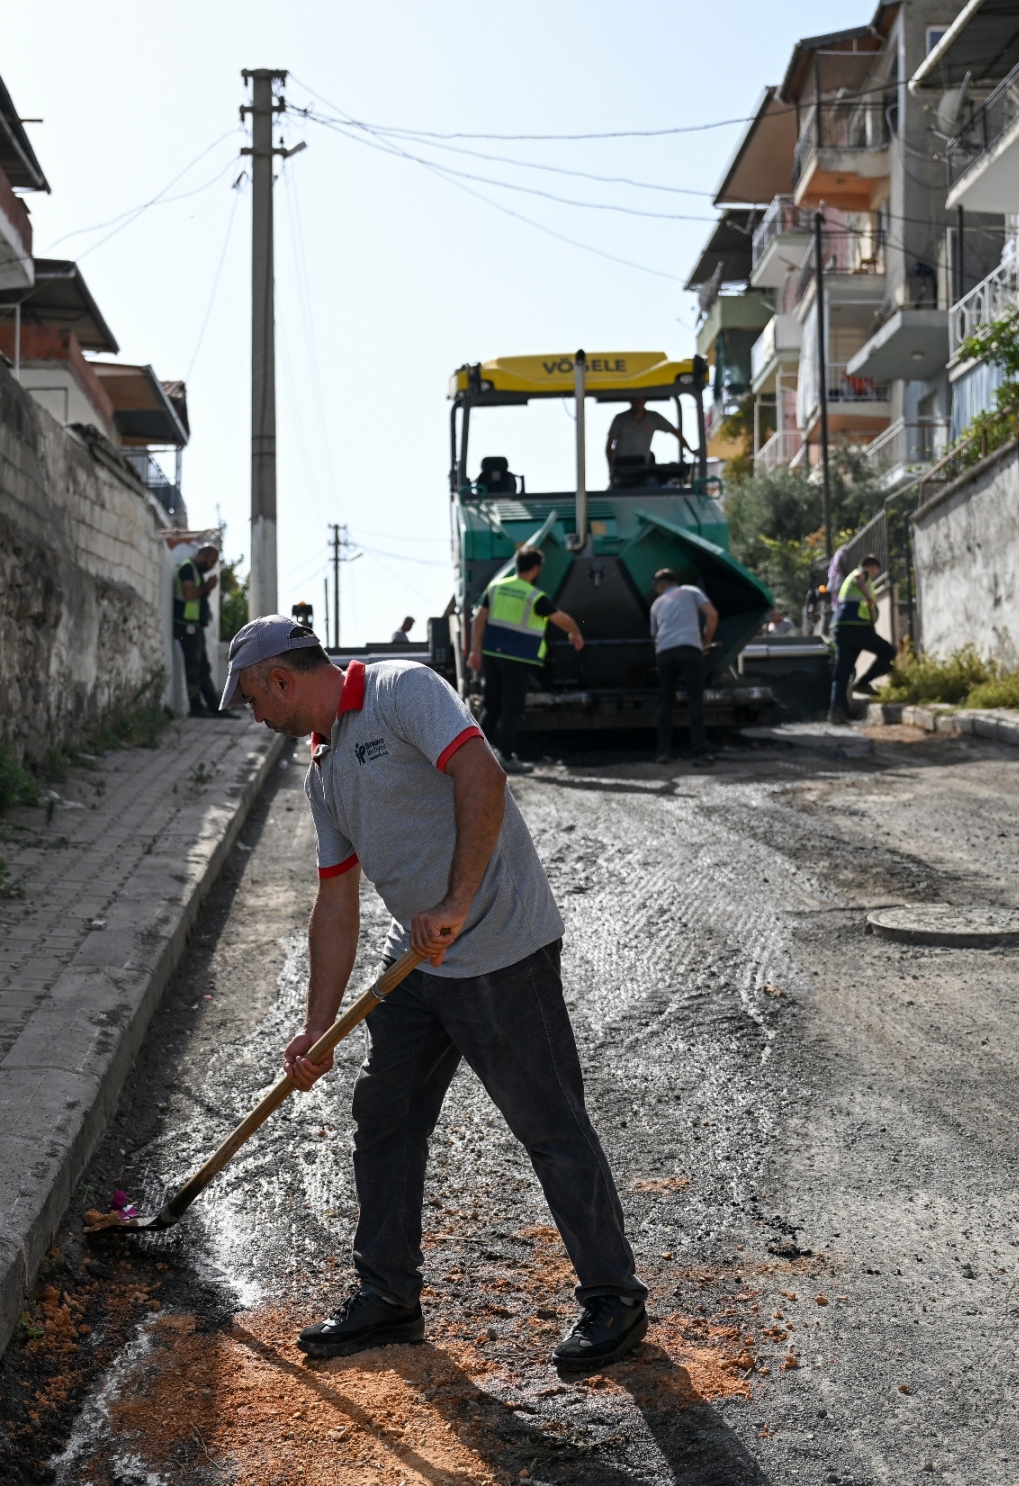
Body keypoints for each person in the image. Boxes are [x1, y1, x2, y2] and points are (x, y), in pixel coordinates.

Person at [219, 616, 650, 1372]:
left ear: (279, 680)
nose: (254, 715)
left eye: (252, 699)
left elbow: (481, 773)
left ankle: (613, 1297)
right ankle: (388, 1297)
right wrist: (316, 1027)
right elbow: (335, 903)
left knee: (548, 1124)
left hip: (500, 947)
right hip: (416, 964)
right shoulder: (322, 769)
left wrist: (455, 902)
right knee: (383, 1119)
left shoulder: (400, 690)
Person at [465, 545, 585, 775]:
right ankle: (506, 756)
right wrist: (575, 633)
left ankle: (472, 756)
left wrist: (475, 651)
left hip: (492, 654)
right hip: (518, 658)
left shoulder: (496, 587)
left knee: (491, 706)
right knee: (513, 707)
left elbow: (479, 620)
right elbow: (561, 619)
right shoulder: (534, 596)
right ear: (536, 569)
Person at [649, 569, 717, 765]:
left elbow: (654, 637)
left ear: (660, 586)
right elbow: (712, 615)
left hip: (665, 652)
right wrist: (705, 642)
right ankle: (699, 754)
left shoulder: (656, 604)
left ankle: (662, 752)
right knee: (694, 700)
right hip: (689, 648)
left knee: (666, 701)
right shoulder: (690, 591)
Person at [829, 554, 896, 720]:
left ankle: (836, 712)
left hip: (841, 628)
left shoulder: (846, 582)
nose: (872, 576)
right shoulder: (862, 573)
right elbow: (860, 579)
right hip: (856, 628)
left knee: (842, 673)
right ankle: (863, 683)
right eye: (875, 573)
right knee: (888, 651)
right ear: (872, 568)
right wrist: (868, 596)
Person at [174, 543, 222, 717]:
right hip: (186, 625)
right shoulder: (187, 568)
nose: (211, 566)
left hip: (194, 624)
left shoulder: (195, 571)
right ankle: (196, 707)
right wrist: (207, 587)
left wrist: (206, 588)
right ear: (203, 556)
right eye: (211, 561)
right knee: (193, 668)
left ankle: (214, 707)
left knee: (203, 668)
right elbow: (189, 594)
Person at [604, 398, 688, 485]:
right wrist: (611, 470)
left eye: (639, 401)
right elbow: (608, 446)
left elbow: (675, 432)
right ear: (630, 401)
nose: (636, 405)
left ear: (644, 402)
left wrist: (689, 449)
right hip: (621, 468)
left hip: (643, 468)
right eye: (634, 401)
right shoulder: (620, 419)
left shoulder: (653, 417)